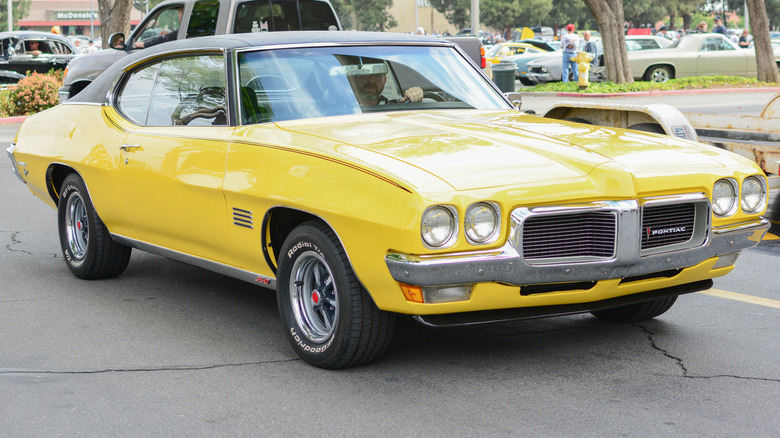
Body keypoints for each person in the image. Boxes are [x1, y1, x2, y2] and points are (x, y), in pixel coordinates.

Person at [345, 62, 423, 106]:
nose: (372, 81)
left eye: (377, 76)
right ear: (353, 79)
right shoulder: (341, 110)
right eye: (364, 75)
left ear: (384, 80)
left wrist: (415, 96)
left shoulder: (395, 108)